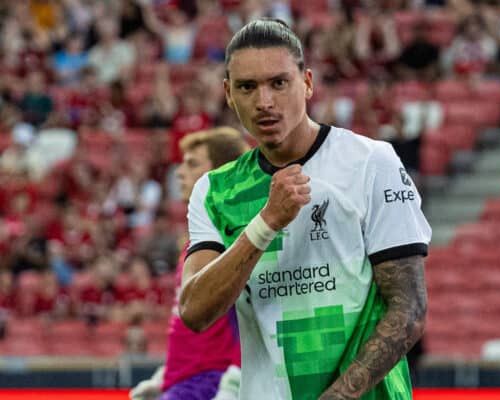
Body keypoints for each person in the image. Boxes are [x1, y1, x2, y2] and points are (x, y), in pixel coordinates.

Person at [179, 18, 431, 400]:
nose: (264, 102)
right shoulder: (215, 192)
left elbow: (409, 309)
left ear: (308, 83)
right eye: (247, 87)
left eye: (279, 83)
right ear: (229, 94)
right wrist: (266, 222)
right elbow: (195, 312)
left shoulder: (369, 162)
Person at [130, 127, 248, 400]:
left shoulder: (234, 236)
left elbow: (250, 314)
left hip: (209, 383)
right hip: (185, 382)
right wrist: (167, 375)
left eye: (192, 164)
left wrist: (234, 381)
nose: (180, 172)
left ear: (221, 172)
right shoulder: (198, 238)